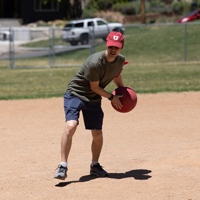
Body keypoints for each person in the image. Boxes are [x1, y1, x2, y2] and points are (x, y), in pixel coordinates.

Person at [54, 31, 126, 180]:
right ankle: (63, 166)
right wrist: (112, 97)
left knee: (97, 134)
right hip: (76, 94)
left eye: (116, 47)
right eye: (111, 46)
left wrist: (123, 92)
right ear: (106, 45)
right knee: (71, 125)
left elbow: (116, 75)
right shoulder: (95, 62)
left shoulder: (120, 60)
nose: (113, 50)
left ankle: (95, 165)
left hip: (93, 99)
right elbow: (95, 87)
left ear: (121, 48)